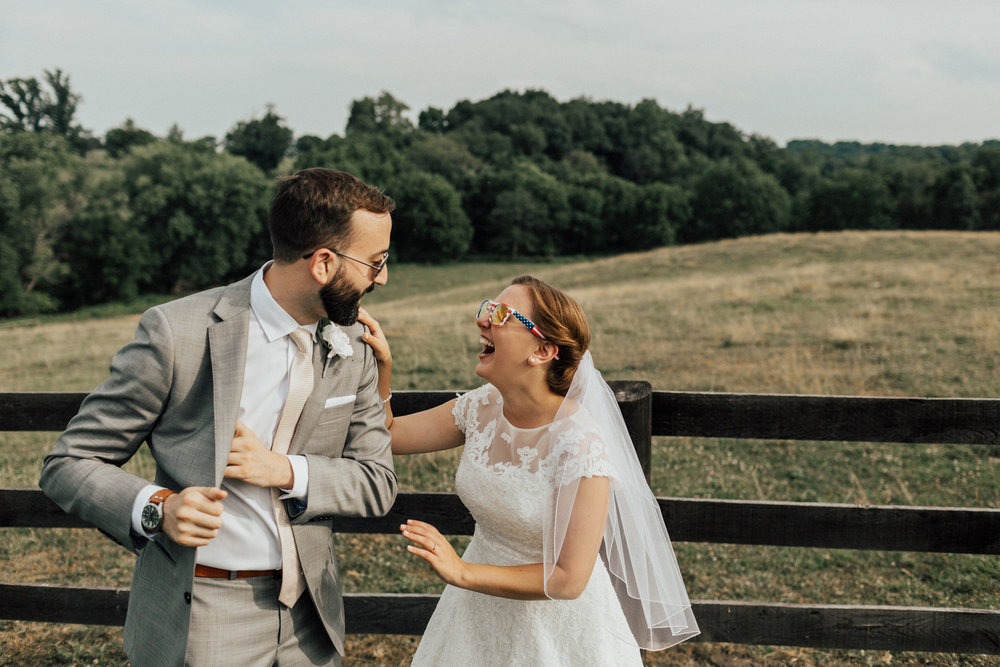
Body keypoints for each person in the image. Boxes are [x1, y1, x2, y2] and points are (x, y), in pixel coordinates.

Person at [39, 168, 398, 667]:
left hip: (311, 623)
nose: (382, 277)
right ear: (322, 263)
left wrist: (284, 469)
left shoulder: (353, 345)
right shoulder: (177, 333)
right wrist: (157, 508)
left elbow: (377, 481)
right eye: (376, 262)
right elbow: (69, 463)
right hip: (204, 617)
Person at [358, 275, 699, 664]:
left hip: (558, 631)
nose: (482, 321)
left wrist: (464, 572)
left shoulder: (581, 445)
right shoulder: (481, 407)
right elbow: (389, 434)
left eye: (501, 314)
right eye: (487, 308)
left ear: (542, 351)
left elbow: (569, 579)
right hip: (475, 617)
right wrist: (382, 366)